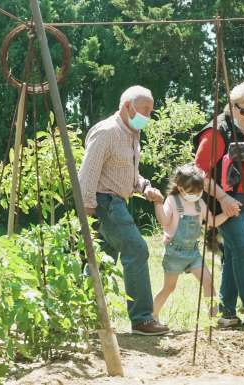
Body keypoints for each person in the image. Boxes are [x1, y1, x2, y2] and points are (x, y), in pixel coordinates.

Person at [78, 85, 169, 336]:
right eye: (145, 110)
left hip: (116, 200)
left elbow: (126, 172)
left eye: (151, 111)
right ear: (127, 106)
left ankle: (82, 315)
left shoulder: (131, 134)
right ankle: (142, 319)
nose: (148, 116)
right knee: (137, 250)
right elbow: (87, 174)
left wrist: (144, 187)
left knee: (101, 263)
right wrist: (87, 213)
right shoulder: (107, 132)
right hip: (103, 203)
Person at [194, 81, 244, 328]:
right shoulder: (217, 131)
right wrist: (224, 199)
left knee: (234, 252)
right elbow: (198, 174)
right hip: (224, 202)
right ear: (232, 106)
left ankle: (226, 314)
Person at [152, 164, 232, 321]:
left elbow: (213, 221)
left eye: (199, 191)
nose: (195, 195)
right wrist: (158, 204)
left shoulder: (199, 203)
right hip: (174, 253)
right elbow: (164, 221)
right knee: (169, 288)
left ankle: (214, 318)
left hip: (193, 253)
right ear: (180, 188)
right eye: (191, 192)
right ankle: (151, 316)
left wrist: (228, 213)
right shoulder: (172, 201)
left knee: (208, 282)